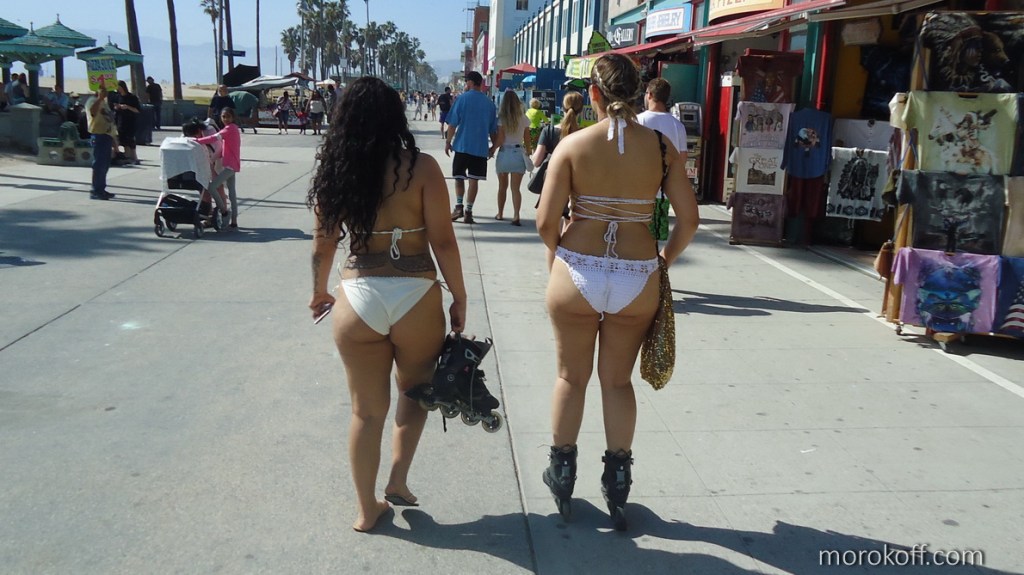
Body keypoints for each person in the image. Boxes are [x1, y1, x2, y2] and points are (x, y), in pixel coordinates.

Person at [535, 53, 699, 530]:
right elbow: (689, 220)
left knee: (571, 378)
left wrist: (561, 255)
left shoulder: (572, 145)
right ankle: (619, 479)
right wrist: (662, 261)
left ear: (593, 94)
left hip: (577, 270)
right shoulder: (661, 149)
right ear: (638, 92)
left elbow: (545, 222)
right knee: (617, 382)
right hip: (637, 274)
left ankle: (562, 471)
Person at [306, 76, 468, 533]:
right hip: (416, 292)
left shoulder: (337, 171)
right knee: (415, 392)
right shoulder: (422, 168)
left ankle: (366, 509)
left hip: (358, 294)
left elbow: (323, 244)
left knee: (365, 411)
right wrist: (459, 296)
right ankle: (397, 479)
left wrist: (319, 291)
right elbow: (443, 241)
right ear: (395, 118)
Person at [444, 71, 498, 225]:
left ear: (471, 82)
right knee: (474, 180)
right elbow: (493, 130)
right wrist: (493, 148)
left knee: (459, 177)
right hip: (480, 148)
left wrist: (448, 142)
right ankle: (468, 211)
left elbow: (452, 124)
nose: (466, 84)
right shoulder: (489, 104)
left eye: (467, 81)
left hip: (462, 146)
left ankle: (458, 207)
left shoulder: (462, 99)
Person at [194, 107, 242, 229]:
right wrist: (213, 159)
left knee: (211, 187)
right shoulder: (232, 129)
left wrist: (197, 141)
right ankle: (234, 221)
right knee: (232, 194)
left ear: (233, 117)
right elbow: (223, 148)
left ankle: (224, 211)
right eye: (223, 116)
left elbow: (213, 138)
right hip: (232, 165)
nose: (225, 119)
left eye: (228, 116)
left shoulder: (229, 129)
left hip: (230, 166)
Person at [492, 90, 532, 225]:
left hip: (504, 153)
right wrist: (529, 152)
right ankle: (516, 215)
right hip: (518, 153)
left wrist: (492, 150)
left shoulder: (501, 119)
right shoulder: (523, 118)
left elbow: (500, 139)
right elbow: (527, 139)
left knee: (502, 187)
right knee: (516, 189)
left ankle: (500, 213)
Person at [85, 85, 118, 200]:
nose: (105, 92)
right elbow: (92, 112)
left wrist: (115, 142)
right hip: (98, 134)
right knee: (99, 164)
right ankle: (95, 190)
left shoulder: (105, 103)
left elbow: (110, 120)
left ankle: (101, 188)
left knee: (105, 164)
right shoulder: (92, 101)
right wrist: (99, 98)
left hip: (107, 135)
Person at [113, 81, 141, 165]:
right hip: (120, 122)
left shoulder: (132, 97)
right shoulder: (117, 97)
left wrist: (127, 107)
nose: (119, 90)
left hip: (130, 122)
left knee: (130, 141)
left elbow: (137, 110)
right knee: (123, 141)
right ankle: (127, 158)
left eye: (120, 88)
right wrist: (117, 107)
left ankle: (132, 158)